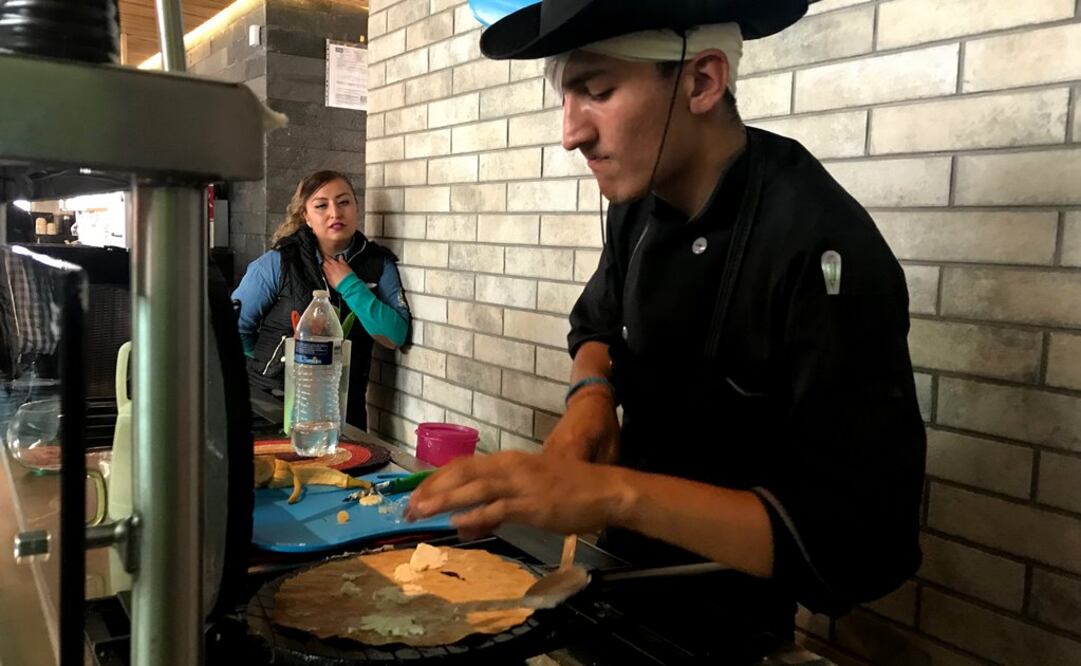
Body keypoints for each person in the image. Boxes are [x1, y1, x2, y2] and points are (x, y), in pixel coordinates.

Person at [407, 0, 926, 648]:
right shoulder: (639, 206)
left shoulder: (821, 249)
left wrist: (609, 494)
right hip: (616, 579)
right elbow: (596, 323)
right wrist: (590, 397)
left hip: (733, 623)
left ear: (702, 81)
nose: (571, 133)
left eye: (596, 91)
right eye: (565, 98)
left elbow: (863, 542)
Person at [232, 170, 411, 430]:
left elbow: (395, 336)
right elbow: (233, 328)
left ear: (356, 208)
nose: (335, 213)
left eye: (344, 202)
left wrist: (350, 285)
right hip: (271, 408)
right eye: (321, 205)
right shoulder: (278, 262)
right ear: (306, 216)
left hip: (343, 412)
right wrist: (268, 361)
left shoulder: (378, 264)